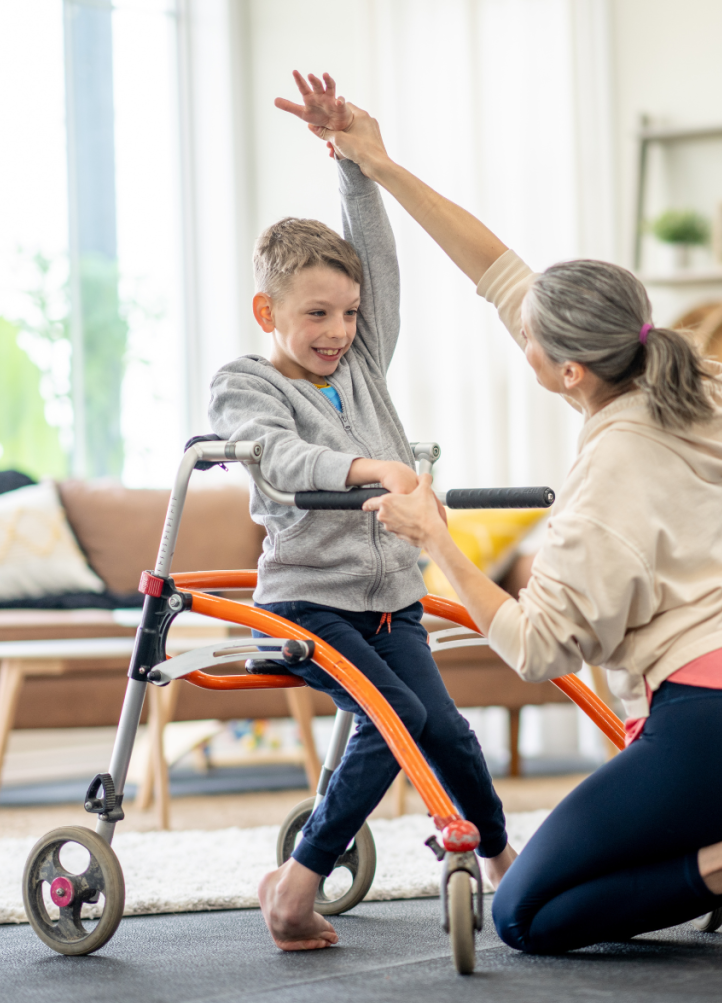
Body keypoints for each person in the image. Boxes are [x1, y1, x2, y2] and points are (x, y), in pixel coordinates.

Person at [303, 90, 722, 963]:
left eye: (526, 338)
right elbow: (493, 268)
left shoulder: (610, 475)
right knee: (592, 866)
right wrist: (375, 163)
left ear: (567, 370)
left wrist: (434, 537)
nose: (514, 331)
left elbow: (538, 650)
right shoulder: (673, 376)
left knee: (526, 916)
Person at [209, 72, 515, 953]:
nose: (338, 328)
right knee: (394, 721)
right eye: (315, 314)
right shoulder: (248, 383)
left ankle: (505, 865)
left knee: (446, 732)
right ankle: (295, 888)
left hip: (392, 603)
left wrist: (351, 161)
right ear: (268, 311)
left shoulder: (361, 364)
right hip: (308, 604)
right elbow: (279, 458)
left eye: (347, 313)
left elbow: (374, 257)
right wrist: (368, 466)